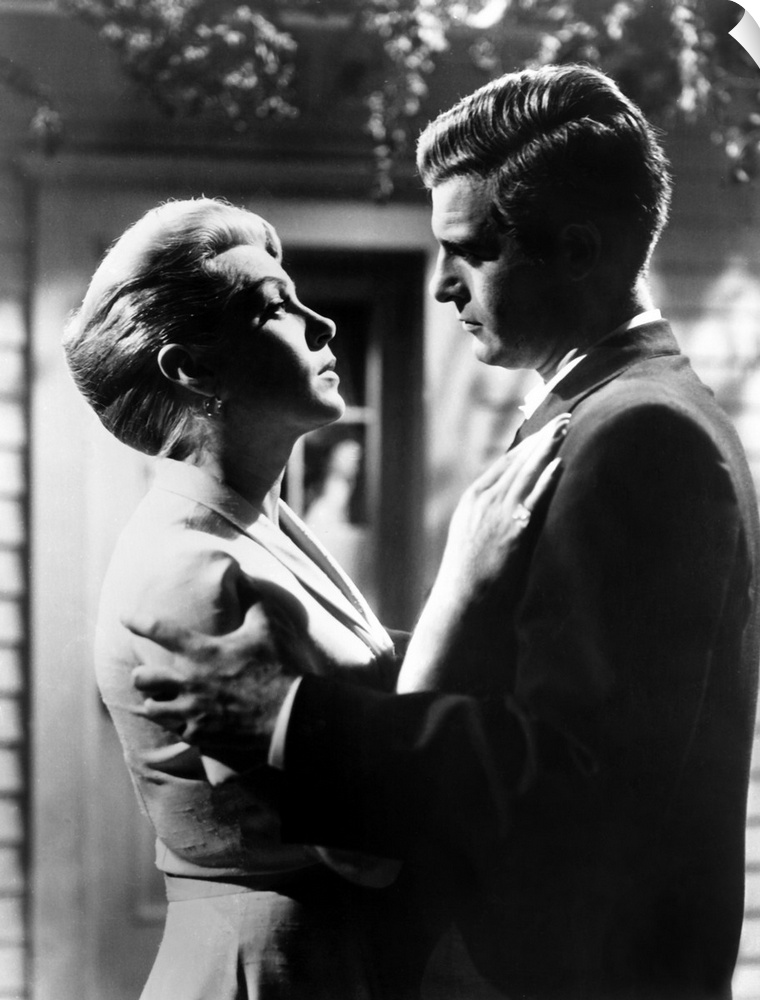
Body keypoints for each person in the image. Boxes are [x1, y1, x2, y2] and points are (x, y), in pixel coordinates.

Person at [130, 65, 760, 1000]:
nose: (439, 286)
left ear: (577, 250)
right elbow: (542, 677)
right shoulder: (604, 414)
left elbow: (578, 778)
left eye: (468, 251)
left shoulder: (638, 435)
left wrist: (293, 720)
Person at [63, 196, 565, 999]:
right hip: (271, 971)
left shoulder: (260, 524)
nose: (323, 324)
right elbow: (367, 840)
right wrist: (470, 578)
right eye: (274, 308)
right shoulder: (191, 570)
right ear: (192, 369)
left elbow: (369, 688)